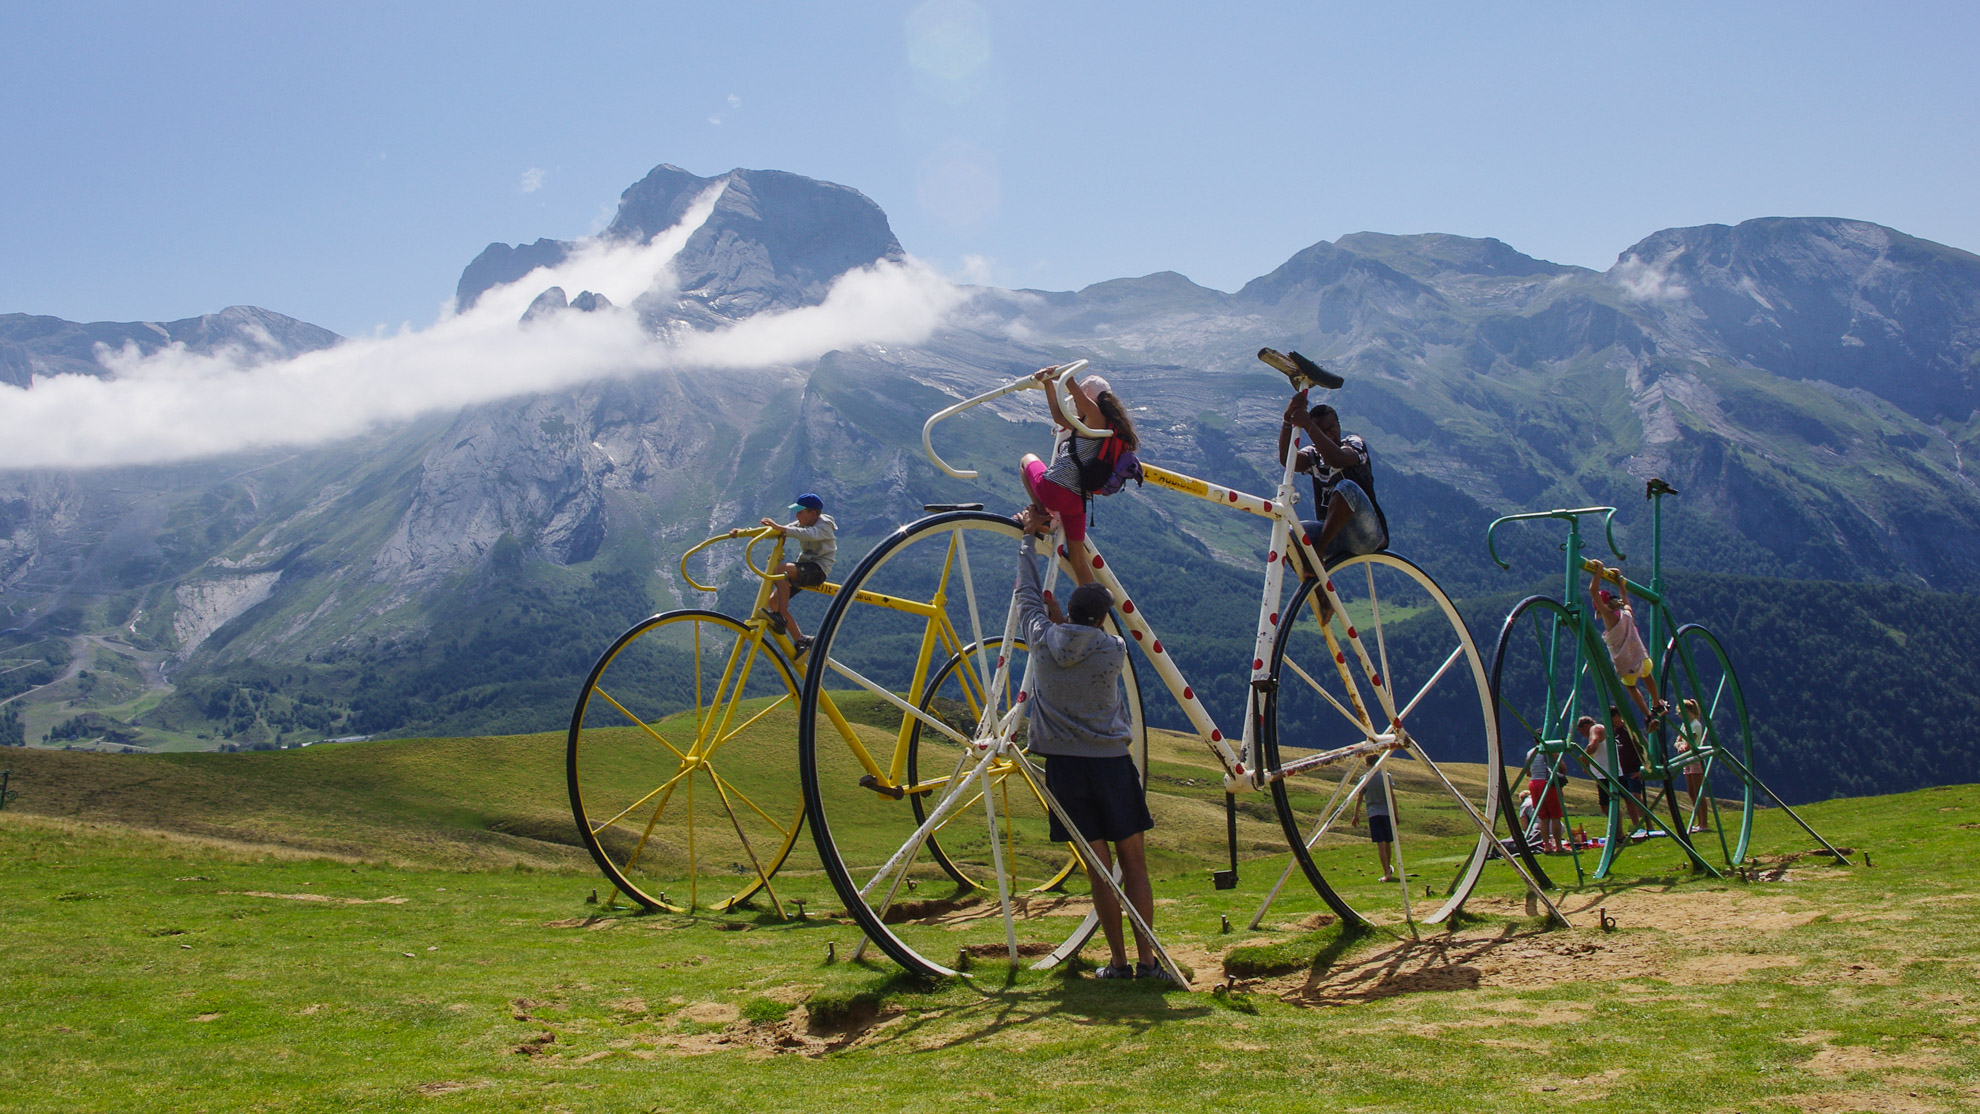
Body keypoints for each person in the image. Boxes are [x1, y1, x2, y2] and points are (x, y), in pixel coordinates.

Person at [1013, 505, 1160, 980]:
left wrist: (1026, 540)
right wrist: (1072, 620)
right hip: (1112, 765)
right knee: (1132, 862)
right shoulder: (1112, 651)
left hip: (1065, 770)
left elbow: (1027, 598)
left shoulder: (1041, 640)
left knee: (1099, 869)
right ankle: (1147, 961)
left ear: (1069, 615)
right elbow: (1088, 636)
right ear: (1100, 621)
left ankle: (1116, 962)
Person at [1019, 368, 1140, 586]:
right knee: (1078, 559)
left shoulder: (1093, 418)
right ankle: (1093, 608)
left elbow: (1074, 389)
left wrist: (1061, 376)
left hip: (1054, 491)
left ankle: (1041, 514)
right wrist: (1048, 384)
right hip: (1077, 502)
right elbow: (1058, 416)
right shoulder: (1107, 428)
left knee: (1026, 460)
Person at [1278, 390, 1389, 617]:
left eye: (1332, 429)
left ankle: (1317, 554)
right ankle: (1322, 597)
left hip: (1366, 534)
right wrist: (1287, 421)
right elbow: (1286, 461)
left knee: (1346, 487)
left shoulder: (1354, 444)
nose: (1329, 435)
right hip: (1336, 536)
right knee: (1288, 535)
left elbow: (1337, 458)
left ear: (1339, 426)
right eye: (1323, 431)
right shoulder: (1313, 455)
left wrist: (1309, 425)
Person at [757, 492, 836, 656]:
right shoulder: (804, 522)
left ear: (812, 513)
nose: (796, 515)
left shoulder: (824, 525)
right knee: (773, 602)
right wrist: (743, 532)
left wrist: (782, 529)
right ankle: (801, 639)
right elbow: (788, 529)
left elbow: (810, 535)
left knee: (781, 570)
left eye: (800, 512)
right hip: (806, 566)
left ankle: (780, 617)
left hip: (818, 568)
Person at [1587, 566, 1665, 727]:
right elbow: (1625, 597)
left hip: (1625, 663)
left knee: (1631, 688)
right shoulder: (1627, 613)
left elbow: (1593, 591)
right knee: (1648, 676)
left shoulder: (1609, 618)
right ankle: (1658, 703)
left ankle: (1649, 715)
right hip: (1641, 656)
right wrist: (1620, 580)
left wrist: (1598, 571)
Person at [1349, 752, 1399, 881]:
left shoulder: (1364, 779)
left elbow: (1359, 798)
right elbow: (1392, 796)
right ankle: (1388, 869)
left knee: (1380, 844)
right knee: (1388, 842)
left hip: (1373, 814)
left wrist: (1356, 815)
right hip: (1386, 813)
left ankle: (1386, 872)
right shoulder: (1386, 777)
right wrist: (1395, 813)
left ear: (1367, 764)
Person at [1608, 706, 1647, 832]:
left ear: (1617, 716)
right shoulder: (1612, 732)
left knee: (1635, 796)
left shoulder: (1629, 730)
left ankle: (1648, 824)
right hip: (1621, 770)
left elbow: (1644, 746)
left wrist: (1644, 767)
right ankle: (1636, 825)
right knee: (1628, 799)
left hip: (1634, 768)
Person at [1675, 698, 1709, 832]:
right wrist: (1681, 745)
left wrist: (1682, 746)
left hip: (1695, 759)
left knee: (1698, 791)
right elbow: (1678, 741)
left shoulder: (1695, 725)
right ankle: (1699, 821)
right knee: (1691, 792)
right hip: (1687, 759)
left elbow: (1689, 743)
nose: (1680, 716)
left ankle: (1704, 823)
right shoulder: (1684, 725)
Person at [1527, 742, 1567, 853]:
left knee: (1543, 818)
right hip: (1547, 782)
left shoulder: (1530, 753)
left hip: (1534, 784)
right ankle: (1558, 846)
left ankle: (1547, 847)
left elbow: (1528, 771)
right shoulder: (1550, 751)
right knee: (1555, 816)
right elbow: (1562, 766)